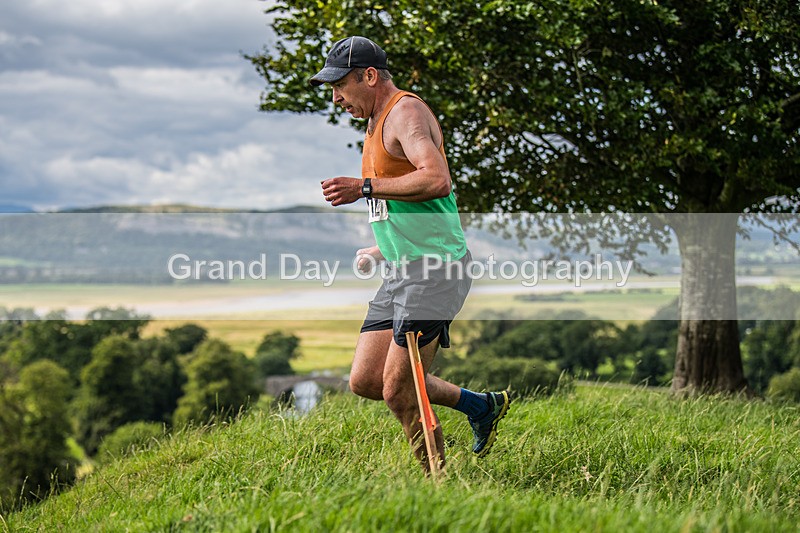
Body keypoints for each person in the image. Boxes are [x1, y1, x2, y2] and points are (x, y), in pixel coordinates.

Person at [310, 36, 510, 472]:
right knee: (366, 381)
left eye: (340, 85)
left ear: (369, 75)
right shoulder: (374, 123)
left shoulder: (405, 112)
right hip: (402, 270)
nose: (336, 98)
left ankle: (438, 487)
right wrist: (381, 249)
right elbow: (405, 206)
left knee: (401, 390)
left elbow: (436, 180)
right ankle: (481, 407)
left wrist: (362, 187)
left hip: (435, 271)